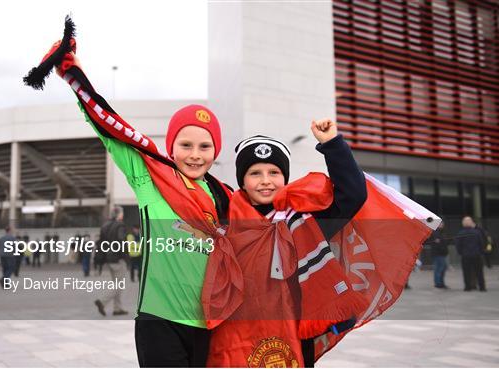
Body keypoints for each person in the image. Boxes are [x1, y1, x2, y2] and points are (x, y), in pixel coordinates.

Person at [33, 34, 233, 367]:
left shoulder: (226, 197)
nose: (195, 156)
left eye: (204, 147)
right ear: (171, 147)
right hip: (159, 324)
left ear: (216, 152)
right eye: (186, 145)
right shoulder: (149, 179)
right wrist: (72, 74)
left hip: (212, 324)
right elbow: (108, 128)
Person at [207, 120, 368, 367]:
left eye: (274, 173)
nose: (265, 181)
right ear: (241, 180)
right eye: (255, 173)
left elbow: (353, 195)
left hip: (294, 335)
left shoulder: (304, 221)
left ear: (285, 178)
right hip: (235, 335)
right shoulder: (226, 219)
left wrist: (332, 144)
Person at [94, 206, 130, 316]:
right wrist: (125, 257)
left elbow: (101, 243)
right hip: (118, 259)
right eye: (122, 213)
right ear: (119, 214)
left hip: (109, 259)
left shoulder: (105, 226)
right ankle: (102, 301)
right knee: (119, 285)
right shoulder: (120, 225)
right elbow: (121, 242)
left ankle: (117, 308)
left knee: (117, 284)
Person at [455, 216, 486, 291]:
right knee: (479, 272)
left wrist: (461, 253)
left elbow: (458, 245)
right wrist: (481, 252)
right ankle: (482, 287)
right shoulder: (477, 232)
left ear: (463, 224)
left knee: (466, 272)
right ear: (471, 223)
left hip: (465, 256)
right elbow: (481, 243)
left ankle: (467, 287)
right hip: (476, 255)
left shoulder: (460, 233)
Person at [427, 221, 450, 289]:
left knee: (442, 269)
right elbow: (435, 243)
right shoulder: (435, 232)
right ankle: (438, 284)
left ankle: (441, 283)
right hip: (437, 254)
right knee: (438, 269)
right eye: (440, 223)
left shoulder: (442, 232)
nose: (442, 225)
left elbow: (444, 242)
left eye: (442, 223)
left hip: (443, 254)